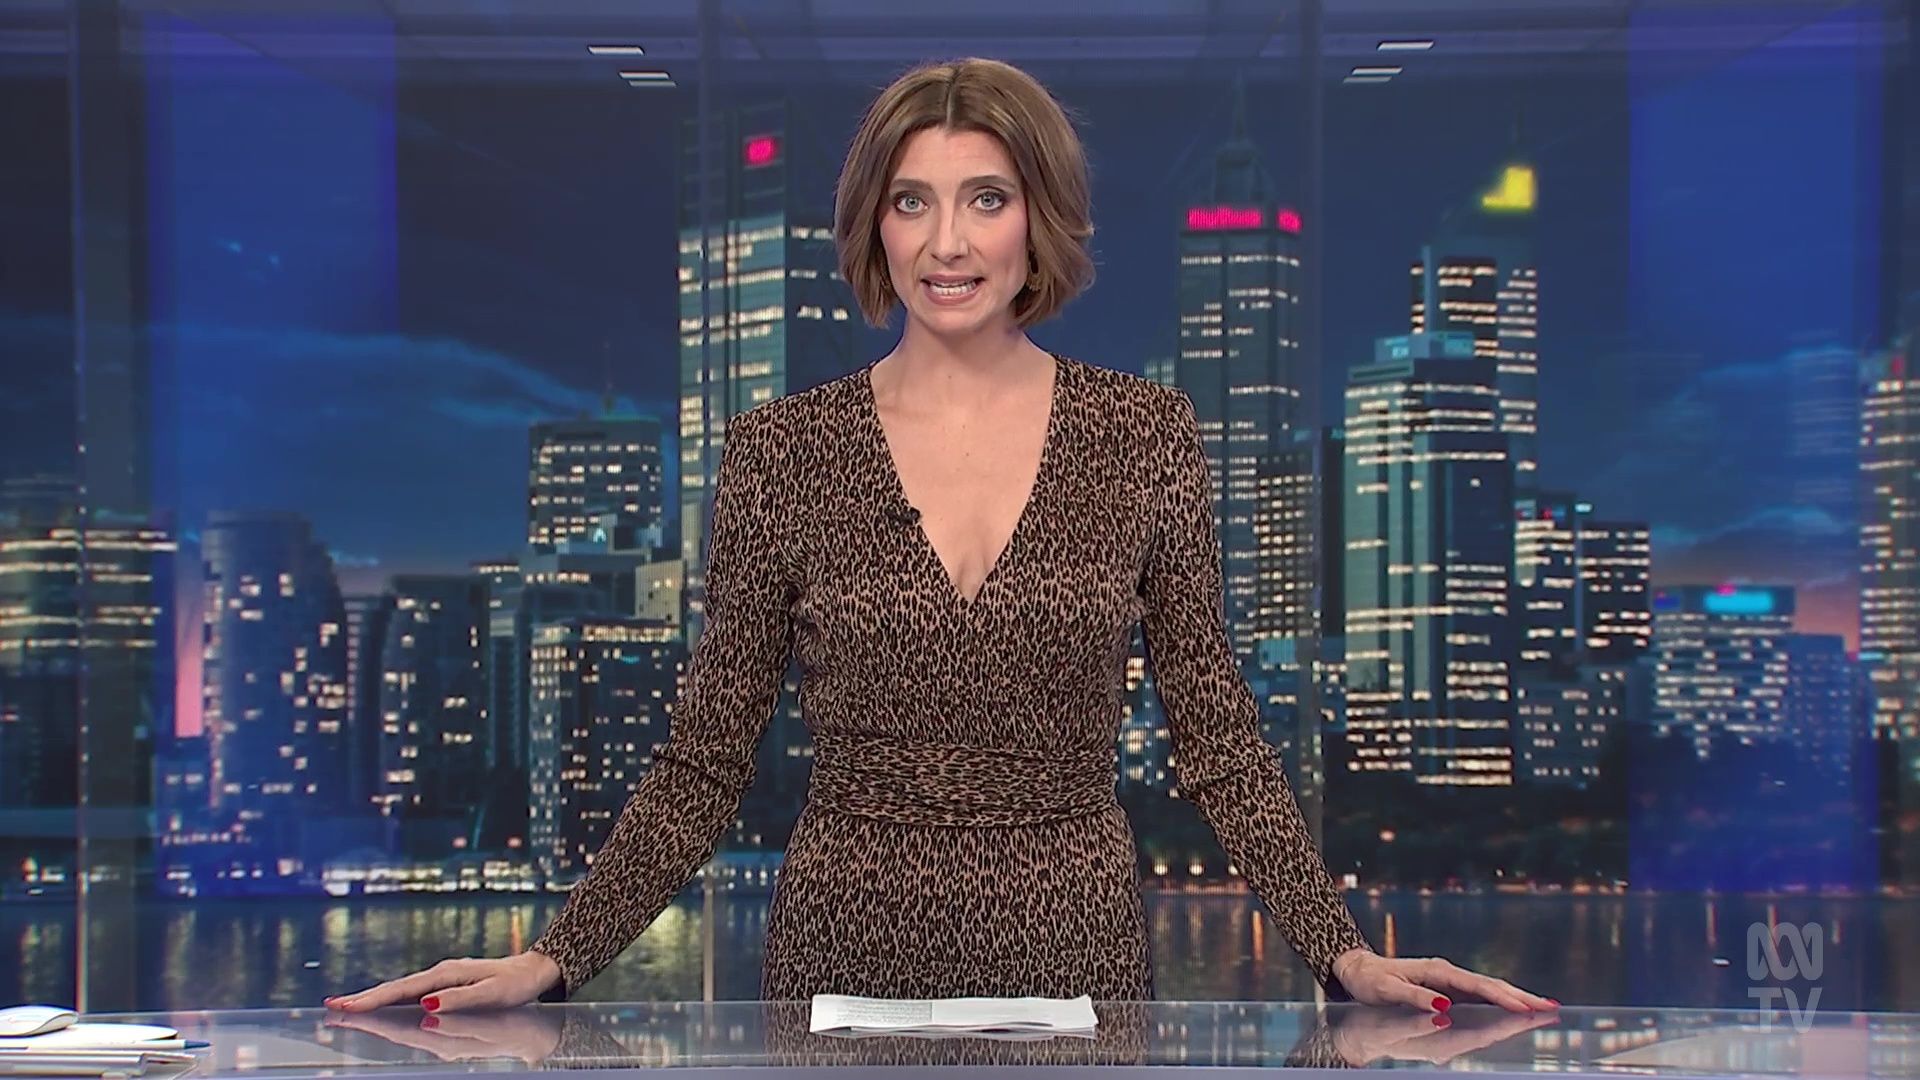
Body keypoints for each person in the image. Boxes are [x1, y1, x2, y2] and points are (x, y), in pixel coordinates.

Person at [326, 56, 1558, 1018]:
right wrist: (552, 956)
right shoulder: (782, 451)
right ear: (874, 226)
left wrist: (1342, 954)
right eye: (911, 202)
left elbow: (1220, 741)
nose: (947, 242)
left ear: (1039, 221)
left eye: (985, 200)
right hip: (841, 958)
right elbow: (705, 763)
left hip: (1075, 957)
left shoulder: (1145, 435)